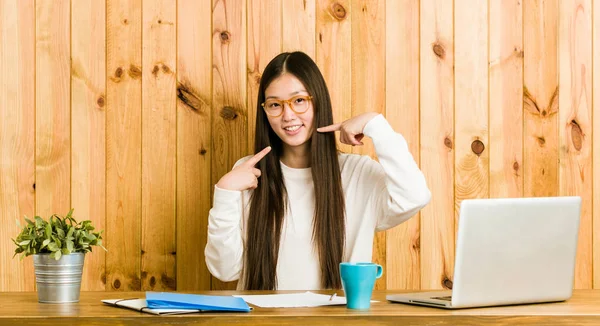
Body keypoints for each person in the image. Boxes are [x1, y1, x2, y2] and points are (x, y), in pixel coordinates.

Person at [205, 51, 431, 291]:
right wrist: (225, 192)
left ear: (318, 101)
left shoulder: (357, 174)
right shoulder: (248, 173)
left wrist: (375, 124)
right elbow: (225, 269)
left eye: (299, 100)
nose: (288, 115)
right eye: (274, 105)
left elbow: (414, 196)